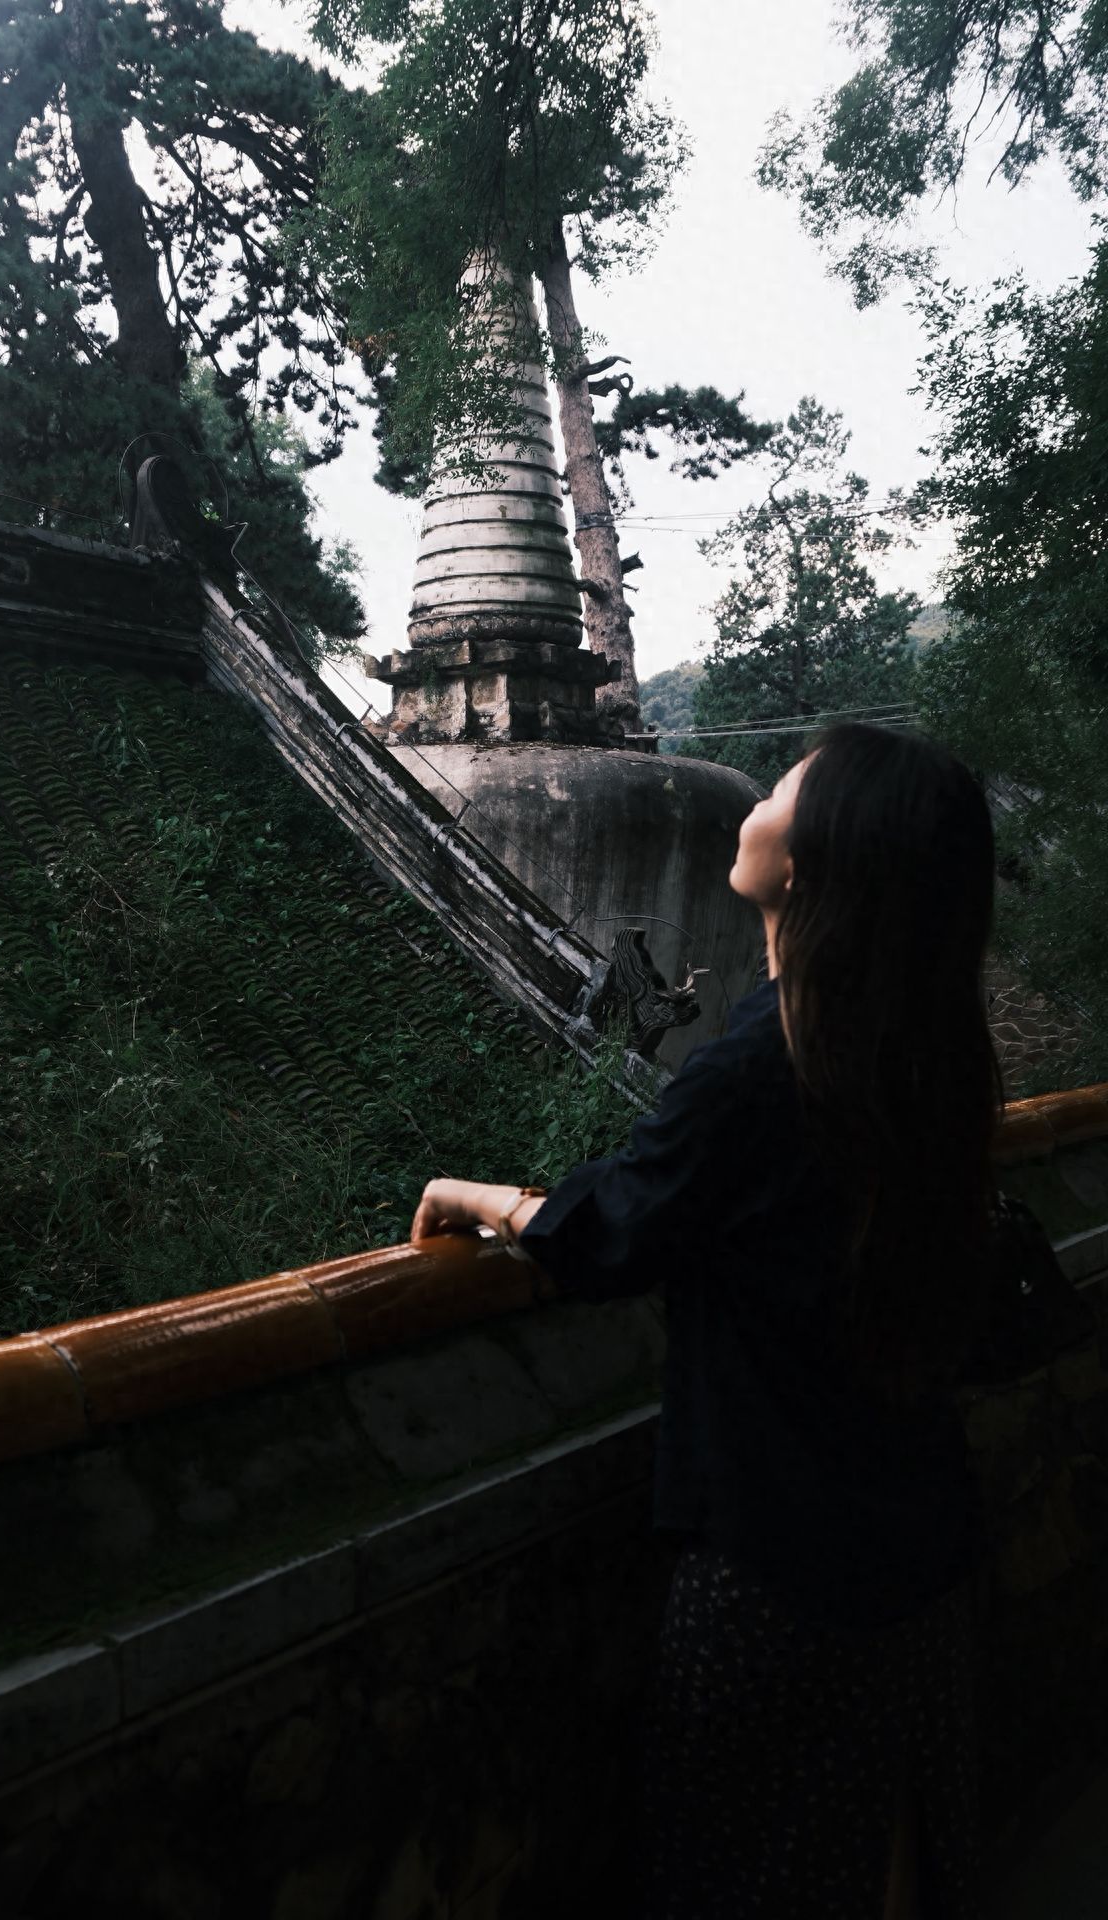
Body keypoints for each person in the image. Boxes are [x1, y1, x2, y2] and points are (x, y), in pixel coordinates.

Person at [410, 722, 1002, 1920]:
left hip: (780, 1558)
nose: (755, 797)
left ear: (818, 854)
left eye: (784, 784)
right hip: (922, 1532)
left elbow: (614, 1229)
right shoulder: (931, 1056)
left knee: (757, 1866)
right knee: (893, 1840)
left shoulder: (759, 1069)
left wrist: (479, 1197)